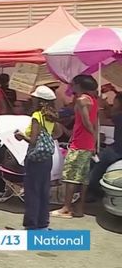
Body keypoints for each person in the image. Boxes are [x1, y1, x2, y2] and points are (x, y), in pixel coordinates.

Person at [14, 85, 62, 229]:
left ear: (40, 101)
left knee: (32, 191)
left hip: (35, 158)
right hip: (47, 158)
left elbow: (33, 140)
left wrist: (22, 136)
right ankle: (43, 221)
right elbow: (58, 133)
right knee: (43, 190)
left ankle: (32, 223)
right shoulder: (51, 116)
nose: (32, 100)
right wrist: (46, 139)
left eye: (34, 98)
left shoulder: (37, 116)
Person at [52, 75, 99, 219]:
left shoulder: (81, 100)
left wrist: (89, 134)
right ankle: (80, 209)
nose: (71, 87)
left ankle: (66, 208)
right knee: (83, 178)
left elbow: (86, 122)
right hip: (88, 144)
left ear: (79, 85)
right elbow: (95, 123)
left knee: (70, 176)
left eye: (73, 84)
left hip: (80, 143)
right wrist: (94, 140)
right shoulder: (94, 101)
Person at [88, 92, 122, 201]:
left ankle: (93, 189)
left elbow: (104, 119)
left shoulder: (119, 116)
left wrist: (102, 105)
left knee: (98, 162)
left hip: (117, 149)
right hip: (116, 146)